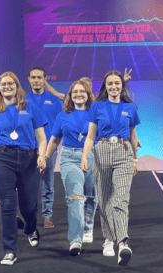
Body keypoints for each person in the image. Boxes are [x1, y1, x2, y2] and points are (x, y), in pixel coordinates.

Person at [0, 71, 47, 265]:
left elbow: (41, 138)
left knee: (29, 205)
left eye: (10, 84)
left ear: (17, 86)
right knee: (8, 205)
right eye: (3, 84)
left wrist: (42, 155)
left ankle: (30, 228)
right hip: (2, 158)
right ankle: (10, 250)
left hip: (29, 158)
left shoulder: (31, 108)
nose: (7, 87)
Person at [81, 70, 140, 266]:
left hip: (123, 152)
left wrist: (135, 159)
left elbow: (133, 135)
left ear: (122, 86)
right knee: (105, 199)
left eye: (117, 83)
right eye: (110, 84)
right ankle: (108, 239)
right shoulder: (97, 106)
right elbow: (90, 136)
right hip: (102, 151)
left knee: (121, 199)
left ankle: (122, 244)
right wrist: (84, 157)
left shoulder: (130, 107)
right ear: (105, 87)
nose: (114, 87)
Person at [43, 80, 98, 256]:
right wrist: (45, 158)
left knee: (91, 196)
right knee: (75, 197)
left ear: (88, 94)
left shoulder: (95, 112)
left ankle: (88, 227)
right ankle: (75, 239)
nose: (78, 94)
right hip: (69, 157)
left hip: (90, 156)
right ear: (70, 95)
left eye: (82, 91)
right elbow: (54, 140)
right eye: (74, 92)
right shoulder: (63, 115)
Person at [26, 67, 63, 228]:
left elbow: (61, 123)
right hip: (28, 148)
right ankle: (30, 217)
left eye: (39, 77)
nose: (36, 80)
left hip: (48, 148)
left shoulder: (55, 100)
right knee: (29, 185)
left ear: (44, 79)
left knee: (48, 184)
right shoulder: (23, 99)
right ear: (28, 79)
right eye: (33, 77)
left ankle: (47, 216)